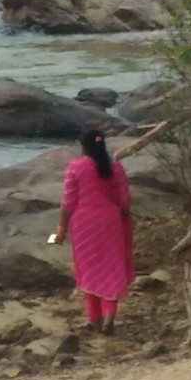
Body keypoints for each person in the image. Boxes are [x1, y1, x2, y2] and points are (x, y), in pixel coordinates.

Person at [54, 129, 134, 335]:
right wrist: (122, 220)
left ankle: (94, 318)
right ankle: (109, 315)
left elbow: (68, 202)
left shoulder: (75, 167)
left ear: (84, 147)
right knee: (111, 266)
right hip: (110, 221)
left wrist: (61, 227)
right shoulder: (116, 168)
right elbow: (125, 202)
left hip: (83, 223)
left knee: (89, 267)